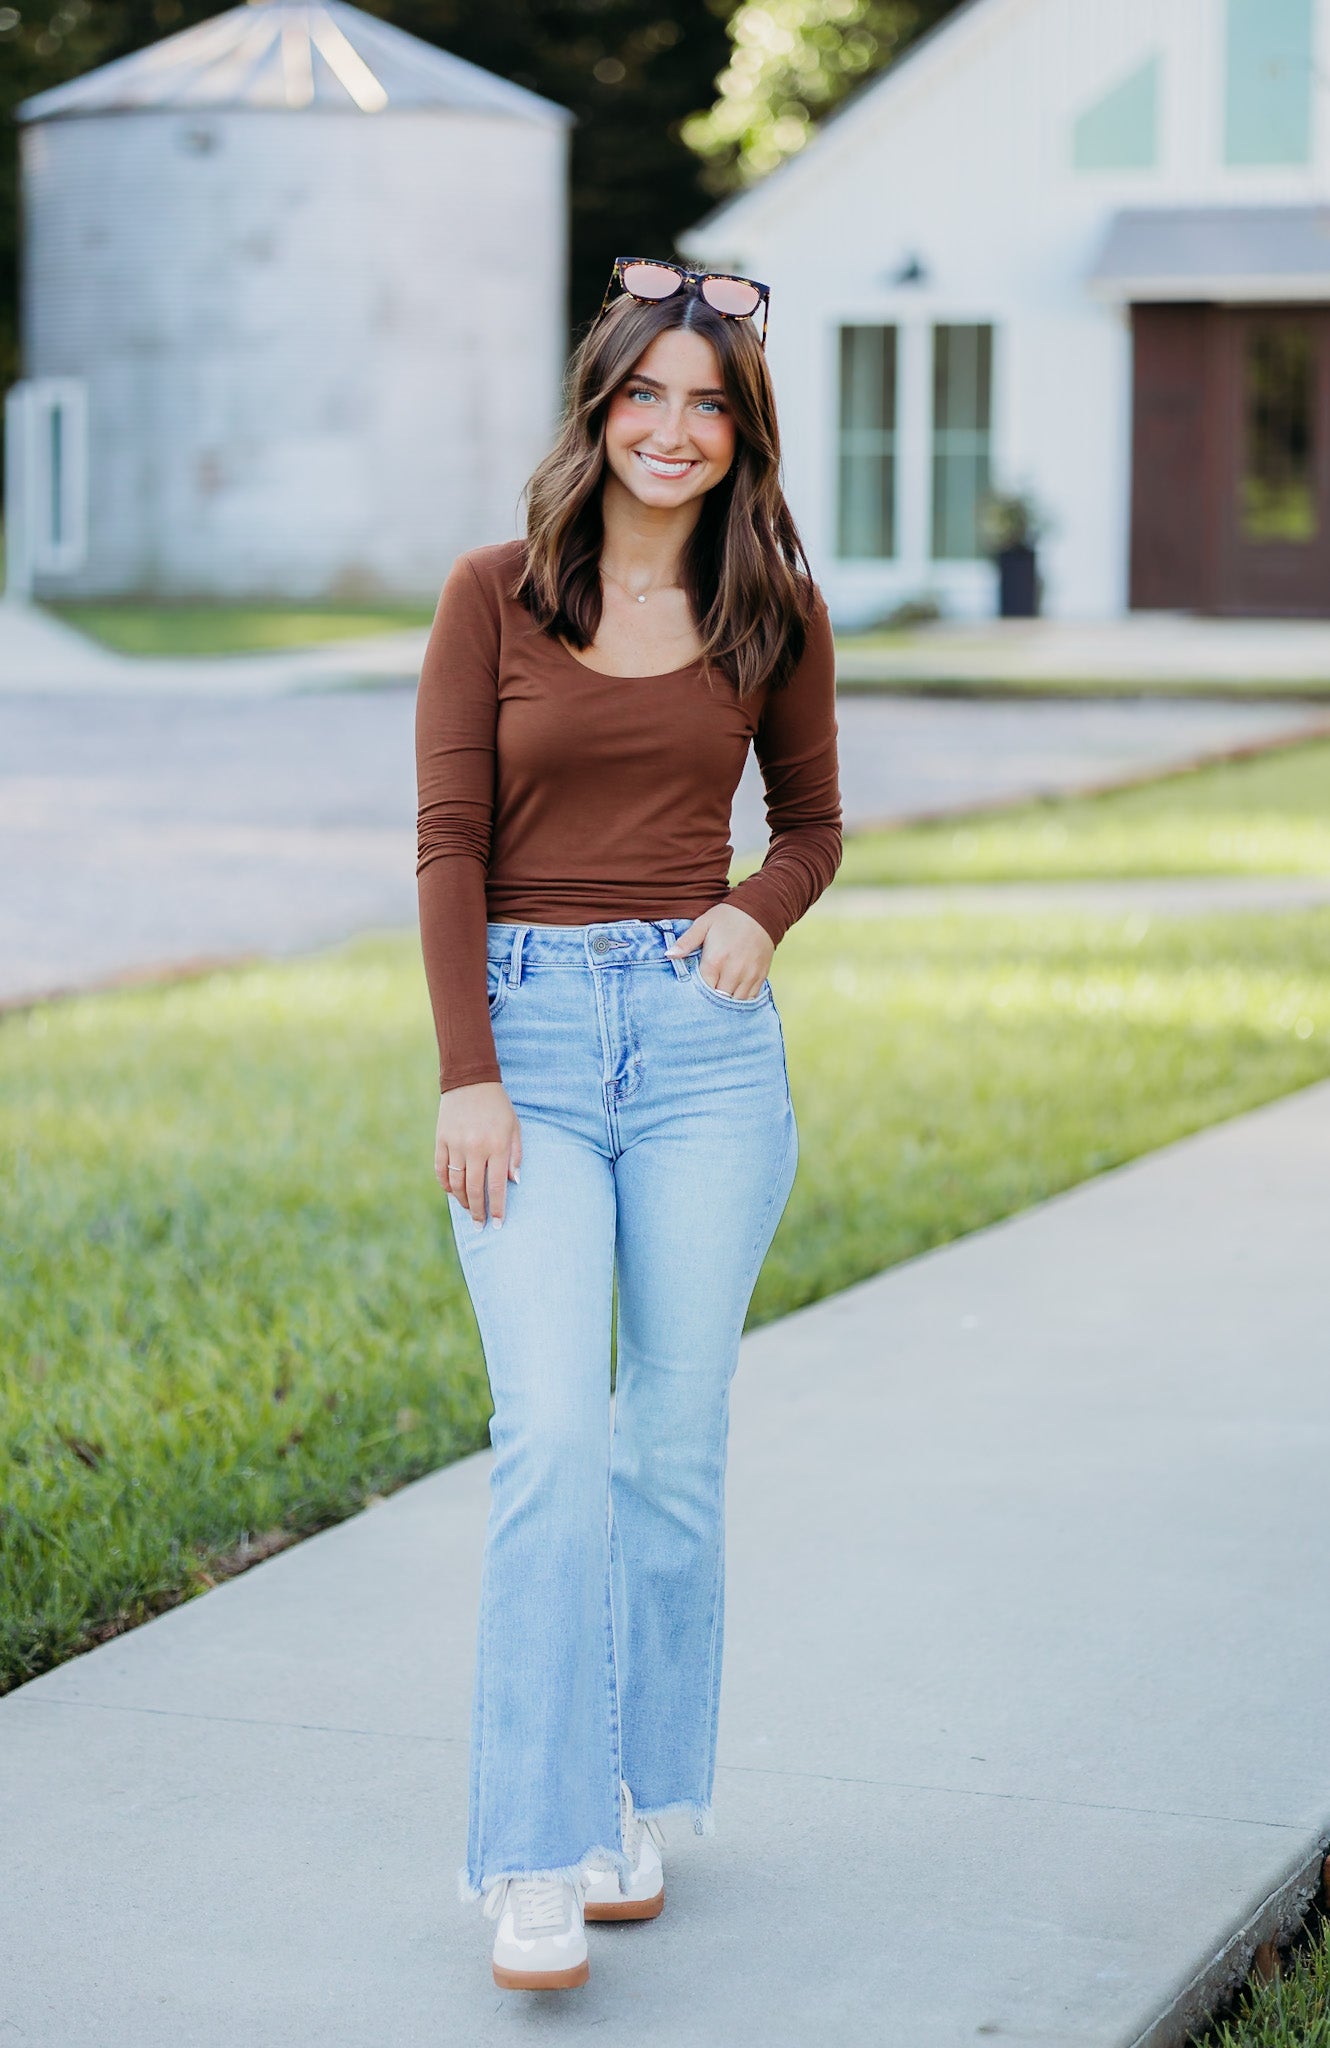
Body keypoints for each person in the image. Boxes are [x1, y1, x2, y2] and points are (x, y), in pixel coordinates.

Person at [413, 257, 842, 1992]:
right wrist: (466, 1071)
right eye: (645, 395)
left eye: (708, 404)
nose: (674, 430)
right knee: (551, 1440)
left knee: (671, 1442)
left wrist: (758, 909)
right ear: (598, 408)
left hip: (702, 1050)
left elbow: (812, 822)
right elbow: (446, 842)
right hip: (520, 1037)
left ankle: (624, 1805)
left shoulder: (772, 610)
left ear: (743, 437)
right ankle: (527, 1849)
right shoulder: (492, 595)